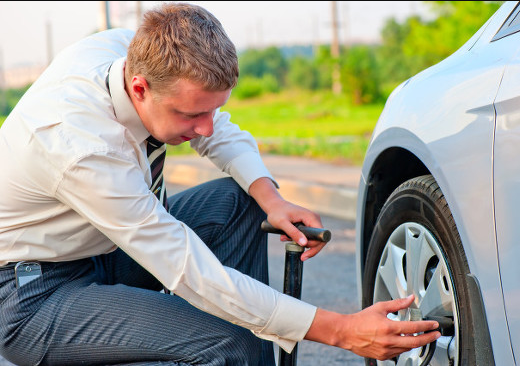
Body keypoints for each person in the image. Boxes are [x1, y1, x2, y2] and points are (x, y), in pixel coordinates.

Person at [0, 3, 440, 365]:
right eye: (191, 116)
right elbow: (187, 268)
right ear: (139, 88)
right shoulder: (80, 145)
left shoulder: (128, 50)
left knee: (237, 200)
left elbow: (222, 132)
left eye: (212, 110)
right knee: (227, 343)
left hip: (103, 250)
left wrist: (273, 198)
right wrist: (340, 330)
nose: (206, 129)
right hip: (35, 295)